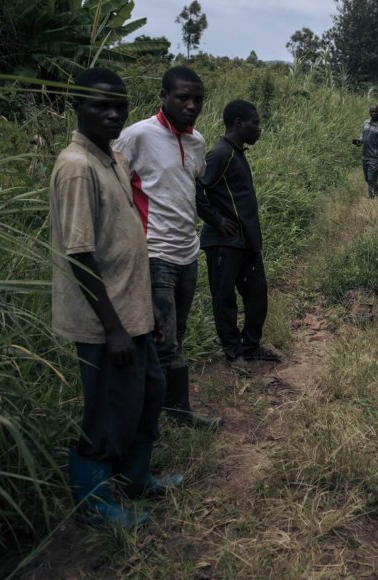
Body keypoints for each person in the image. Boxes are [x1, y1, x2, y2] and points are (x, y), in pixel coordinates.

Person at [50, 68, 183, 527]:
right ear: (77, 106)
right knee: (108, 409)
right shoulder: (76, 166)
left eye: (119, 106)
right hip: (104, 322)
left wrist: (147, 308)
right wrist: (112, 329)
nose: (112, 114)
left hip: (134, 310)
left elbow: (126, 243)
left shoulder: (113, 159)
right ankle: (94, 504)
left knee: (149, 394)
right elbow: (80, 255)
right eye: (99, 105)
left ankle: (136, 476)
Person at [113, 66, 222, 429]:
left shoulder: (197, 142)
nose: (191, 105)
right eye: (183, 98)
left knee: (178, 336)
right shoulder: (138, 136)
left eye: (197, 99)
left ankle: (173, 411)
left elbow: (191, 188)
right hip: (154, 253)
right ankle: (152, 423)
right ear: (164, 97)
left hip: (187, 253)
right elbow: (111, 184)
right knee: (162, 340)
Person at [196, 100, 281, 371]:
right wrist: (218, 220)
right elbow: (196, 190)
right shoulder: (220, 154)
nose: (259, 129)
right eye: (255, 123)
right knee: (225, 299)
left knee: (257, 293)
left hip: (246, 241)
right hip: (224, 243)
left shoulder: (237, 154)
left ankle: (251, 346)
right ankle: (233, 353)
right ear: (238, 123)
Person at [351, 104, 378, 198]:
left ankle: (372, 201)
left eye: (376, 111)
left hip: (374, 158)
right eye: (372, 111)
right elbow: (362, 137)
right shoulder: (366, 123)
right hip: (364, 156)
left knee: (371, 180)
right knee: (368, 179)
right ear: (369, 112)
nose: (374, 113)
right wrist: (358, 142)